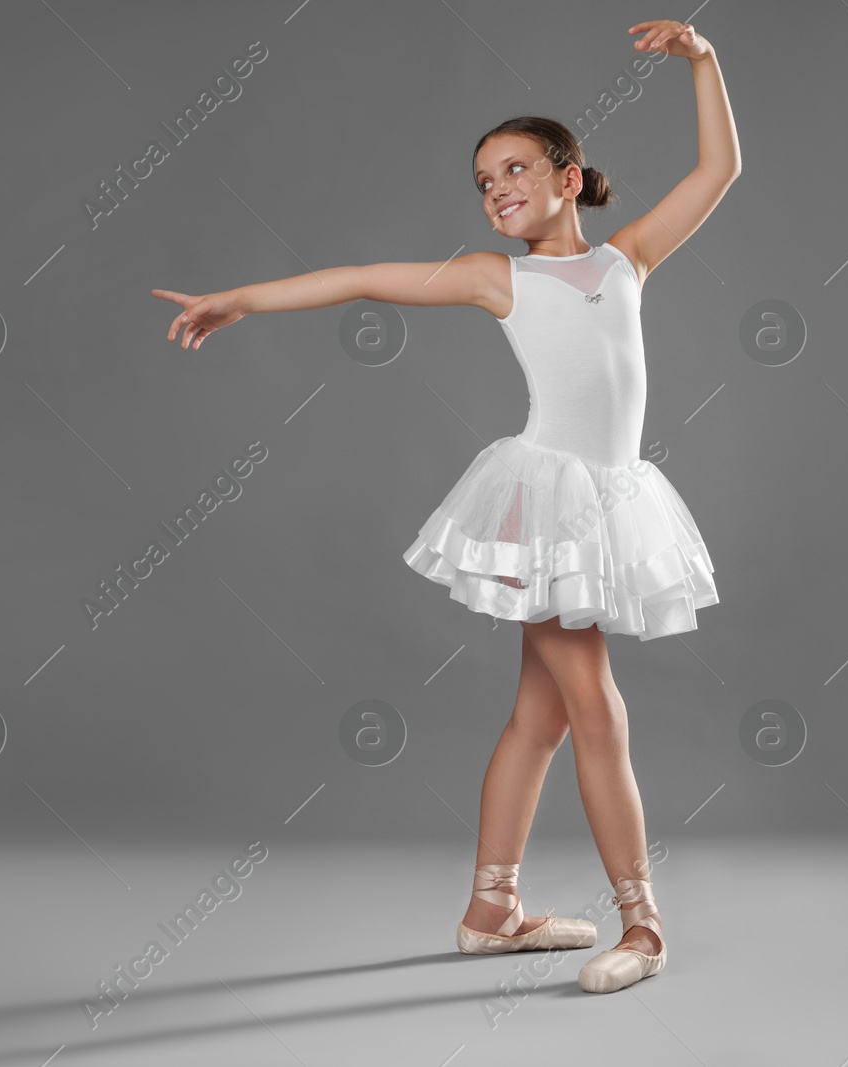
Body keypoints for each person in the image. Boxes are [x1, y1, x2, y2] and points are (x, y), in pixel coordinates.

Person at [152, 19, 739, 993]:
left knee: (539, 719)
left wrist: (704, 61)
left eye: (513, 168)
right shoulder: (492, 275)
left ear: (568, 174)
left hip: (608, 499)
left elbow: (717, 169)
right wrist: (241, 299)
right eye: (481, 180)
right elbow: (352, 277)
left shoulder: (626, 259)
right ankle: (643, 924)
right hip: (548, 503)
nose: (496, 188)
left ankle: (492, 910)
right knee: (596, 709)